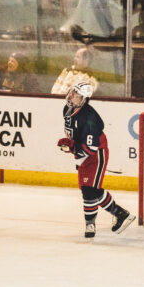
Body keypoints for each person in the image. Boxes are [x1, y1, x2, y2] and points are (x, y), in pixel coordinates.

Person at [56, 83, 135, 239]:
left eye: (76, 94)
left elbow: (91, 147)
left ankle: (90, 225)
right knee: (88, 189)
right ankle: (121, 213)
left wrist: (72, 147)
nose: (71, 95)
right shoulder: (68, 109)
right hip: (84, 154)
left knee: (89, 191)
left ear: (84, 99)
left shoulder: (90, 117)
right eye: (72, 92)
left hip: (96, 154)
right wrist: (71, 145)